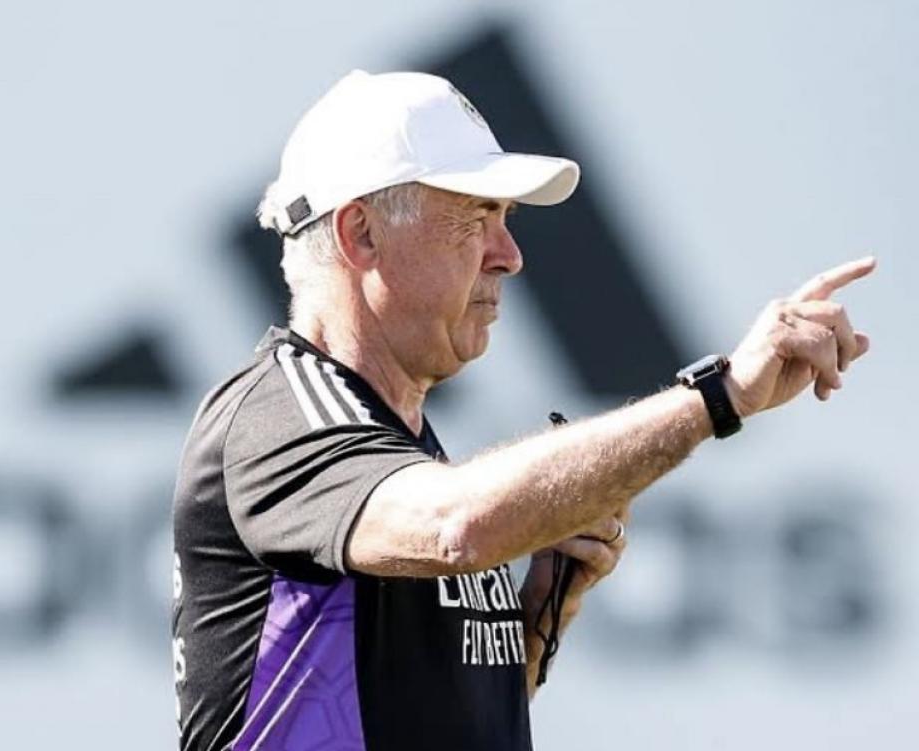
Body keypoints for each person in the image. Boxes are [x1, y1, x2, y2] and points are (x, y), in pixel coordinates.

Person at [171, 70, 875, 751]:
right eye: (476, 216)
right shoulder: (278, 411)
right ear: (361, 234)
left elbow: (433, 716)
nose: (509, 255)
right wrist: (718, 396)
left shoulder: (394, 443)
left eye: (504, 220)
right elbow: (456, 525)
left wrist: (542, 612)